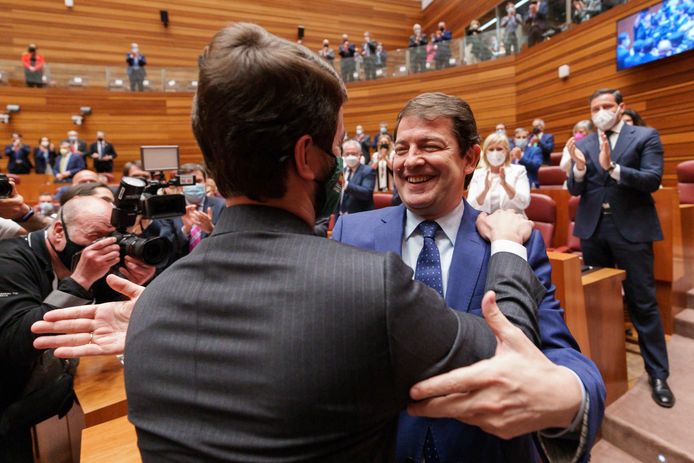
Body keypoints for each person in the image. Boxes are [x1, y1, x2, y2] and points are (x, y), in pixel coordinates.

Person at [31, 24, 545, 462]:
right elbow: (511, 354)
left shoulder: (153, 306)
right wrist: (506, 247)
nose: (343, 165)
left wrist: (155, 312)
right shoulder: (372, 284)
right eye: (336, 147)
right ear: (307, 158)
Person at [333, 92, 604, 463]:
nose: (411, 161)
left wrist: (572, 396)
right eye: (401, 148)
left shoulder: (514, 242)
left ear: (470, 158)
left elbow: (557, 352)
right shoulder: (350, 233)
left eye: (430, 146)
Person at [0, 196, 155, 462]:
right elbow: (14, 343)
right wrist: (81, 280)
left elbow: (103, 320)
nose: (106, 247)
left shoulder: (96, 260)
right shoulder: (8, 260)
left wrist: (130, 287)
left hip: (55, 393)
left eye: (112, 237)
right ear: (59, 232)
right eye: (96, 237)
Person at [566, 88, 674, 408]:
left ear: (620, 107)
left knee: (643, 301)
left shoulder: (644, 136)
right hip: (594, 229)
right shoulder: (584, 142)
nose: (601, 110)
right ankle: (601, 372)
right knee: (598, 303)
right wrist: (580, 168)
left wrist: (612, 167)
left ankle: (658, 374)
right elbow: (575, 188)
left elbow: (652, 179)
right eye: (595, 107)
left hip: (632, 229)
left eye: (607, 106)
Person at [158, 163, 225, 263]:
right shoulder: (169, 209)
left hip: (214, 264)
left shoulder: (222, 205)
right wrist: (185, 230)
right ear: (180, 186)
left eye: (198, 181)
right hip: (180, 267)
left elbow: (230, 243)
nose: (194, 185)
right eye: (188, 182)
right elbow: (166, 249)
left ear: (206, 182)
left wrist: (211, 230)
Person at [468, 132, 531, 215]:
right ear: (485, 153)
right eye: (491, 149)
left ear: (506, 152)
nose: (495, 153)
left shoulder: (519, 171)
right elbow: (471, 206)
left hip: (512, 223)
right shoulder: (477, 174)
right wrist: (485, 190)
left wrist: (505, 185)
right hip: (484, 223)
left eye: (499, 149)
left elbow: (524, 203)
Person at [340, 140, 376, 214]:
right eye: (347, 154)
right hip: (340, 216)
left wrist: (345, 184)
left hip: (360, 216)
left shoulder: (368, 171)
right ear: (343, 155)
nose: (350, 156)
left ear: (360, 155)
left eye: (353, 154)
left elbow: (366, 193)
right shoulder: (342, 171)